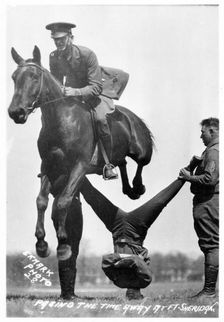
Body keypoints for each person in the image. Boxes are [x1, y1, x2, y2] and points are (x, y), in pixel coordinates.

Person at [80, 176, 185, 300]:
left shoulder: (120, 282)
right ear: (140, 295)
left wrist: (124, 259)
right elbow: (138, 260)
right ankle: (184, 175)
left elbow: (106, 260)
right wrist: (122, 261)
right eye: (134, 297)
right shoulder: (145, 280)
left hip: (117, 228)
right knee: (159, 202)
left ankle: (75, 171)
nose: (130, 295)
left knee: (93, 198)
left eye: (130, 297)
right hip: (136, 229)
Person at [45, 22, 118, 180]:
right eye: (55, 40)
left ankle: (108, 164)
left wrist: (74, 92)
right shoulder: (53, 56)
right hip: (70, 96)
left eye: (62, 39)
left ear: (70, 37)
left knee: (101, 120)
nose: (58, 43)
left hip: (91, 95)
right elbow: (56, 81)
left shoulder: (87, 54)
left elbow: (96, 87)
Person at [179, 117, 219, 299]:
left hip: (208, 203)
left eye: (203, 132)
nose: (200, 136)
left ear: (213, 131)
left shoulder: (213, 152)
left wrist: (189, 177)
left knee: (211, 245)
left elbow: (209, 180)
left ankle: (209, 291)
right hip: (212, 202)